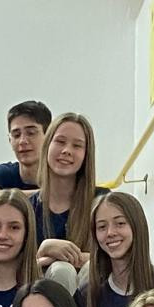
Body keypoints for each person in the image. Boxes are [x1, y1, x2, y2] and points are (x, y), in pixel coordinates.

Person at [29, 113, 105, 294]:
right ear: (47, 146)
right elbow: (14, 268)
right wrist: (44, 249)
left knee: (89, 268)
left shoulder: (103, 201)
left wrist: (69, 257)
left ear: (86, 154)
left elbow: (116, 256)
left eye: (77, 145)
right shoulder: (28, 208)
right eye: (60, 141)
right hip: (41, 296)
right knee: (62, 271)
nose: (67, 150)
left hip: (91, 289)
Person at [0, 100, 53, 202]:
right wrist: (42, 195)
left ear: (49, 136)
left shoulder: (64, 174)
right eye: (16, 135)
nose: (22, 141)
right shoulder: (5, 173)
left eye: (31, 133)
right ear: (10, 141)